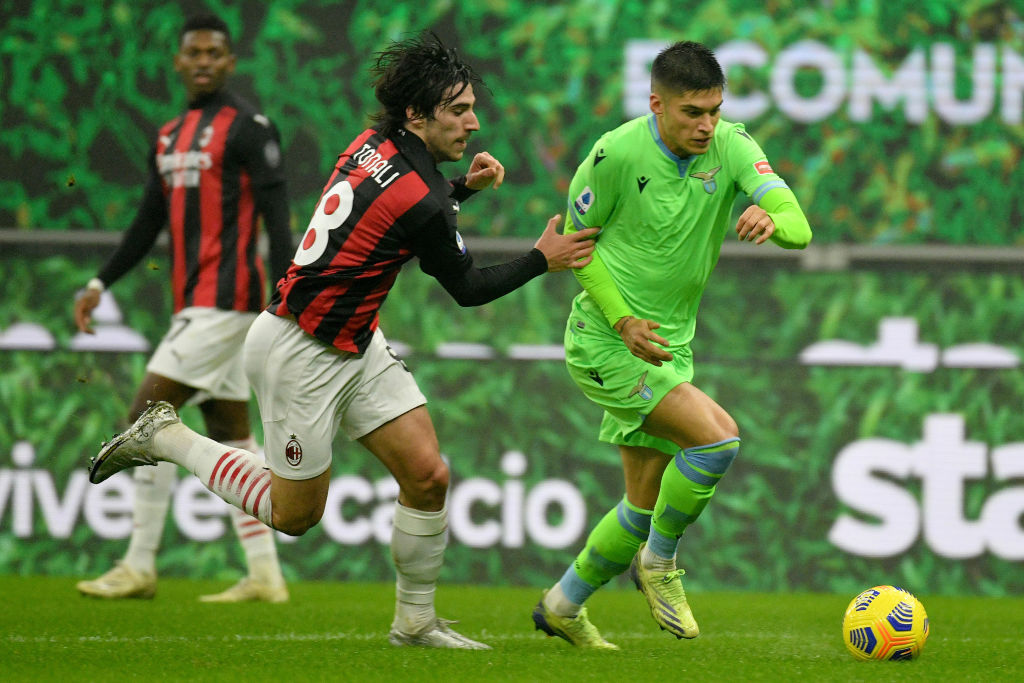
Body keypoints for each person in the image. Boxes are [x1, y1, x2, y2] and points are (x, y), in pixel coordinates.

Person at [87, 34, 598, 648]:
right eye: (458, 110)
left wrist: (459, 189)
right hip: (299, 352)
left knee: (429, 475)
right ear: (417, 114)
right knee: (294, 516)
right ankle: (166, 437)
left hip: (355, 342)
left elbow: (403, 214)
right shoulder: (424, 197)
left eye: (471, 108)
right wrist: (543, 258)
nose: (474, 121)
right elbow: (467, 286)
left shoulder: (373, 146)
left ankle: (414, 623)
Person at [531, 41, 812, 649]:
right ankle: (659, 565)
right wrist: (624, 320)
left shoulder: (732, 145)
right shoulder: (612, 154)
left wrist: (772, 220)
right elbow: (577, 250)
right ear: (656, 104)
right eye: (692, 112)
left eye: (713, 109)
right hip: (605, 342)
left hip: (668, 348)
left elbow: (798, 223)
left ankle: (562, 605)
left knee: (641, 502)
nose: (706, 124)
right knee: (718, 441)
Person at [74, 13, 292, 603]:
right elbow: (149, 221)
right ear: (177, 61)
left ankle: (139, 563)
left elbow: (277, 215)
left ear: (229, 62)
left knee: (146, 416)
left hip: (229, 300)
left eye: (213, 52)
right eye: (192, 52)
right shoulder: (170, 135)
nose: (202, 61)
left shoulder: (249, 127)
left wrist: (288, 293)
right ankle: (265, 573)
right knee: (230, 433)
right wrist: (101, 281)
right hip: (197, 302)